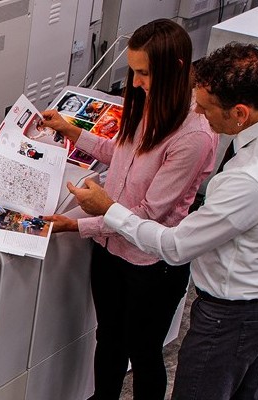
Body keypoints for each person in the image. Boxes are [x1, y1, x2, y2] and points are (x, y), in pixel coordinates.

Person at [65, 42, 258, 399]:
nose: (198, 110)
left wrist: (108, 209)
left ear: (240, 113)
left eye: (207, 106)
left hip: (229, 315)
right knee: (245, 390)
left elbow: (175, 245)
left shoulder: (247, 179)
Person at [40, 19, 217, 400]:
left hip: (150, 265)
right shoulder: (147, 104)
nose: (135, 83)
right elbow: (118, 153)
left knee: (143, 353)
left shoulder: (195, 135)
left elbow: (148, 212)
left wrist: (77, 224)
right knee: (109, 341)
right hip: (108, 250)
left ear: (177, 68)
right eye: (134, 71)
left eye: (143, 73)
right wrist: (72, 132)